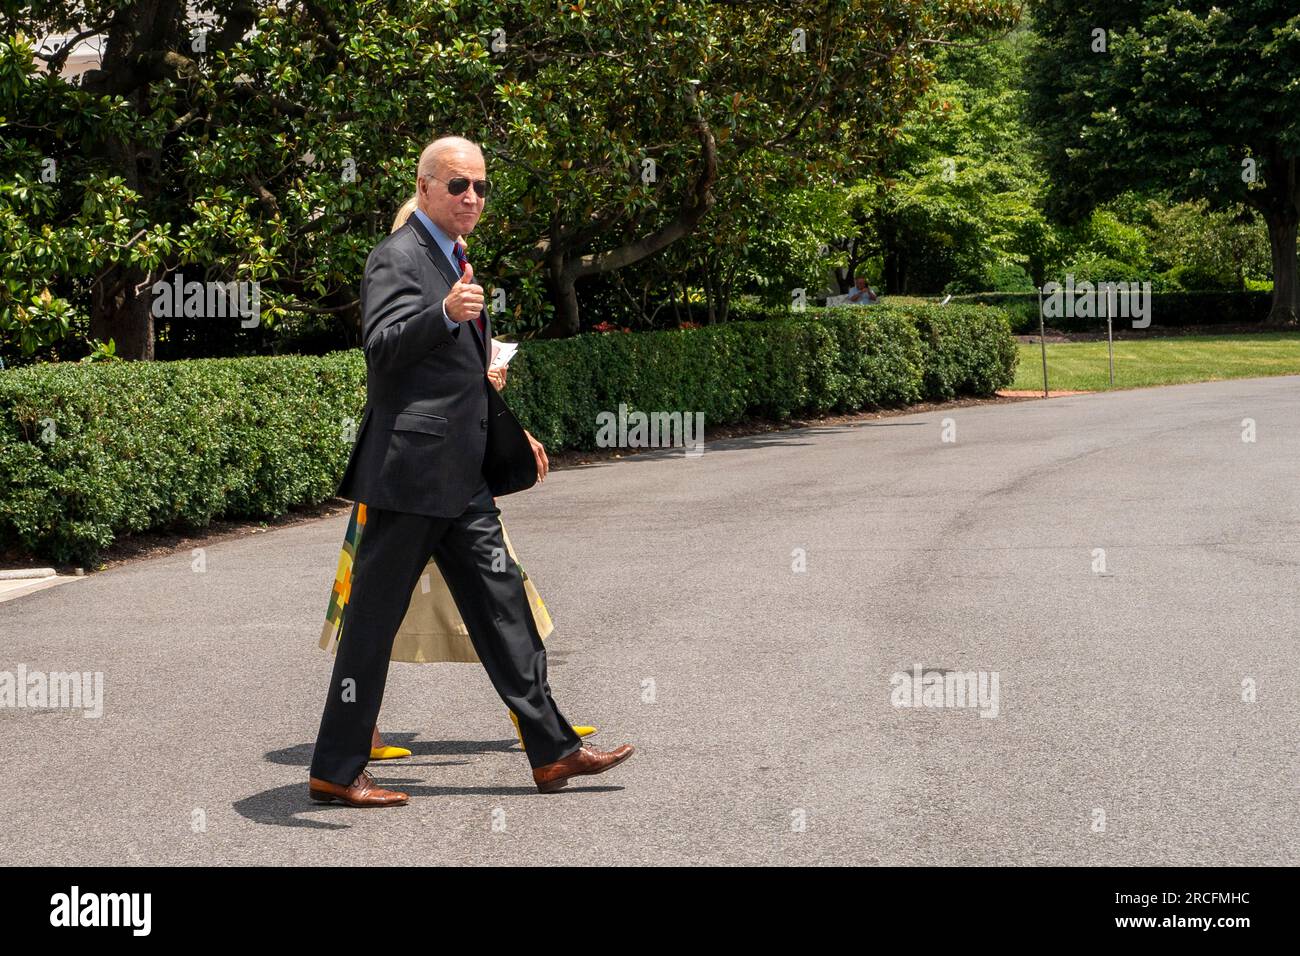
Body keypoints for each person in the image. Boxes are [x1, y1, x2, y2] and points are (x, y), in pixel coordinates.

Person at [307, 135, 633, 807]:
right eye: (458, 186)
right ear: (424, 187)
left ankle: (553, 752)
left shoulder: (456, 258)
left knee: (504, 608)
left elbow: (457, 377)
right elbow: (382, 349)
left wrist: (508, 416)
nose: (473, 198)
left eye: (481, 187)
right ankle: (336, 770)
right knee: (371, 622)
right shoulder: (396, 257)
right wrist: (444, 313)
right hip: (409, 475)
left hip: (462, 477)